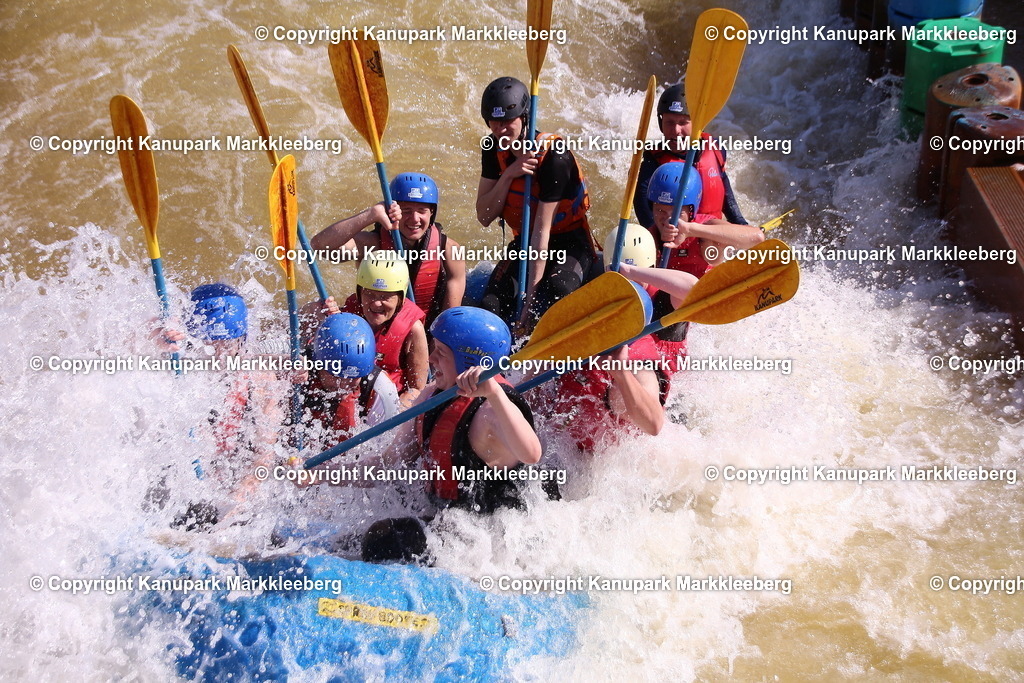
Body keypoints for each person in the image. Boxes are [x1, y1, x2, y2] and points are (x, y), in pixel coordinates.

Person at [360, 307, 543, 564]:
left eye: (441, 353)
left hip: (497, 535)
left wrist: (494, 394)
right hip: (455, 521)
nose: (431, 359)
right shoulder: (433, 394)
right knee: (367, 539)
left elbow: (532, 453)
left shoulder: (492, 411)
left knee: (384, 541)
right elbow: (388, 464)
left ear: (469, 363)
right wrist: (321, 474)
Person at [151, 284, 292, 530]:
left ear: (242, 339)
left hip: (234, 486)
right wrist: (152, 336)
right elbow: (117, 354)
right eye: (210, 343)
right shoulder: (176, 366)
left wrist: (235, 502)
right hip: (182, 484)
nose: (219, 353)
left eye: (227, 343)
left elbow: (265, 457)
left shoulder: (260, 379)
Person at [475, 76, 599, 334]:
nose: (501, 129)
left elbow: (541, 234)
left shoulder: (555, 156)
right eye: (495, 122)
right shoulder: (491, 148)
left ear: (524, 117)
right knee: (490, 304)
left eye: (509, 121)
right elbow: (484, 215)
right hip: (524, 242)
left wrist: (529, 302)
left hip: (569, 242)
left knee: (556, 292)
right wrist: (510, 174)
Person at [548, 225, 669, 452]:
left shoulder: (637, 360)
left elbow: (653, 425)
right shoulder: (585, 312)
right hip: (562, 449)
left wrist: (620, 373)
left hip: (601, 460)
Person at [644, 164, 764, 371]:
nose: (666, 219)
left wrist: (690, 230)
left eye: (676, 212)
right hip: (672, 310)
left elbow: (756, 238)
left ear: (691, 210)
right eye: (660, 210)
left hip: (701, 305)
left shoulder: (704, 230)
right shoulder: (648, 237)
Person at [311, 173, 466, 327]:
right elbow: (320, 247)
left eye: (421, 210)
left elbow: (450, 315)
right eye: (406, 210)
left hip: (421, 331)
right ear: (392, 210)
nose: (414, 219)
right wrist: (371, 214)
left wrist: (436, 342)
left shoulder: (449, 249)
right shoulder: (372, 243)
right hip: (375, 325)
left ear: (432, 212)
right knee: (313, 310)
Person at [634, 83, 748, 229]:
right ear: (661, 123)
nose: (676, 130)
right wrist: (657, 238)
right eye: (669, 122)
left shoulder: (715, 149)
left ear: (697, 123)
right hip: (674, 241)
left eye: (683, 123)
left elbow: (727, 197)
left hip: (709, 237)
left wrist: (742, 225)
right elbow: (643, 208)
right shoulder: (653, 161)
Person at [301, 312, 400, 451]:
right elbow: (260, 362)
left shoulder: (381, 388)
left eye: (352, 378)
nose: (341, 385)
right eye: (335, 376)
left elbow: (384, 452)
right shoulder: (300, 366)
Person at [341, 257, 429, 409]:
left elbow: (417, 389)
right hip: (350, 395)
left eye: (385, 296)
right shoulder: (348, 314)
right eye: (369, 294)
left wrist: (394, 414)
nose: (376, 303)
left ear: (400, 299)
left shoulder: (413, 329)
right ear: (359, 292)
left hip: (385, 405)